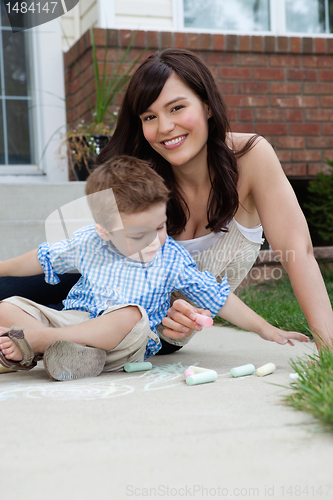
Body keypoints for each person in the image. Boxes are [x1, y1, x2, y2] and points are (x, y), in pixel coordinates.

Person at [0, 48, 332, 351]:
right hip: (95, 285)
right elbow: (98, 241)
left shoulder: (251, 158)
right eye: (149, 117)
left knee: (71, 335)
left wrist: (328, 344)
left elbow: (298, 252)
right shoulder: (142, 173)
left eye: (176, 108)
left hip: (146, 325)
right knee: (8, 300)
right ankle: (36, 344)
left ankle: (40, 344)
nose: (165, 127)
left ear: (206, 105)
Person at [0, 157, 309, 380]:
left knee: (132, 315)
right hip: (74, 321)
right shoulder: (89, 243)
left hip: (126, 339)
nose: (153, 242)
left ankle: (37, 342)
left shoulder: (170, 258)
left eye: (160, 227)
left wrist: (265, 329)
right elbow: (41, 258)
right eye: (138, 235)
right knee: (8, 306)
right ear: (105, 231)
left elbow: (219, 297)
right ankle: (60, 349)